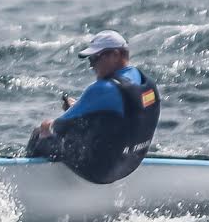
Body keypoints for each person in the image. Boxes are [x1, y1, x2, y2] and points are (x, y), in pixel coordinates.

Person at [25, 30, 161, 184]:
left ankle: (28, 181)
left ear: (115, 55)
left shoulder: (103, 88)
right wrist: (79, 108)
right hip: (131, 164)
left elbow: (58, 126)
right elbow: (124, 112)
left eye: (95, 59)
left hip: (100, 171)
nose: (92, 66)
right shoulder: (145, 82)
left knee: (41, 132)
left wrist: (47, 126)